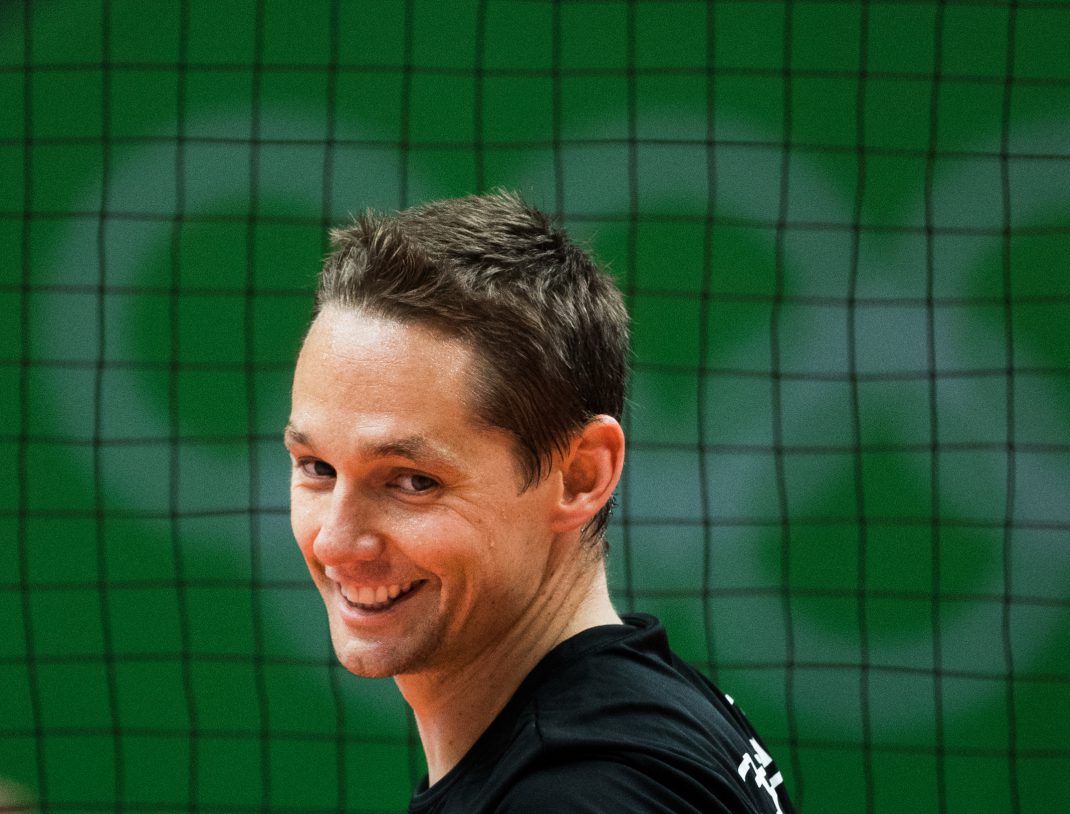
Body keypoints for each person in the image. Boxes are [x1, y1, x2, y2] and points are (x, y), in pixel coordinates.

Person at [284, 191, 794, 813]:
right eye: (317, 468)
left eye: (413, 481)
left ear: (579, 475)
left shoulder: (576, 793)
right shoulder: (647, 710)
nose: (336, 542)